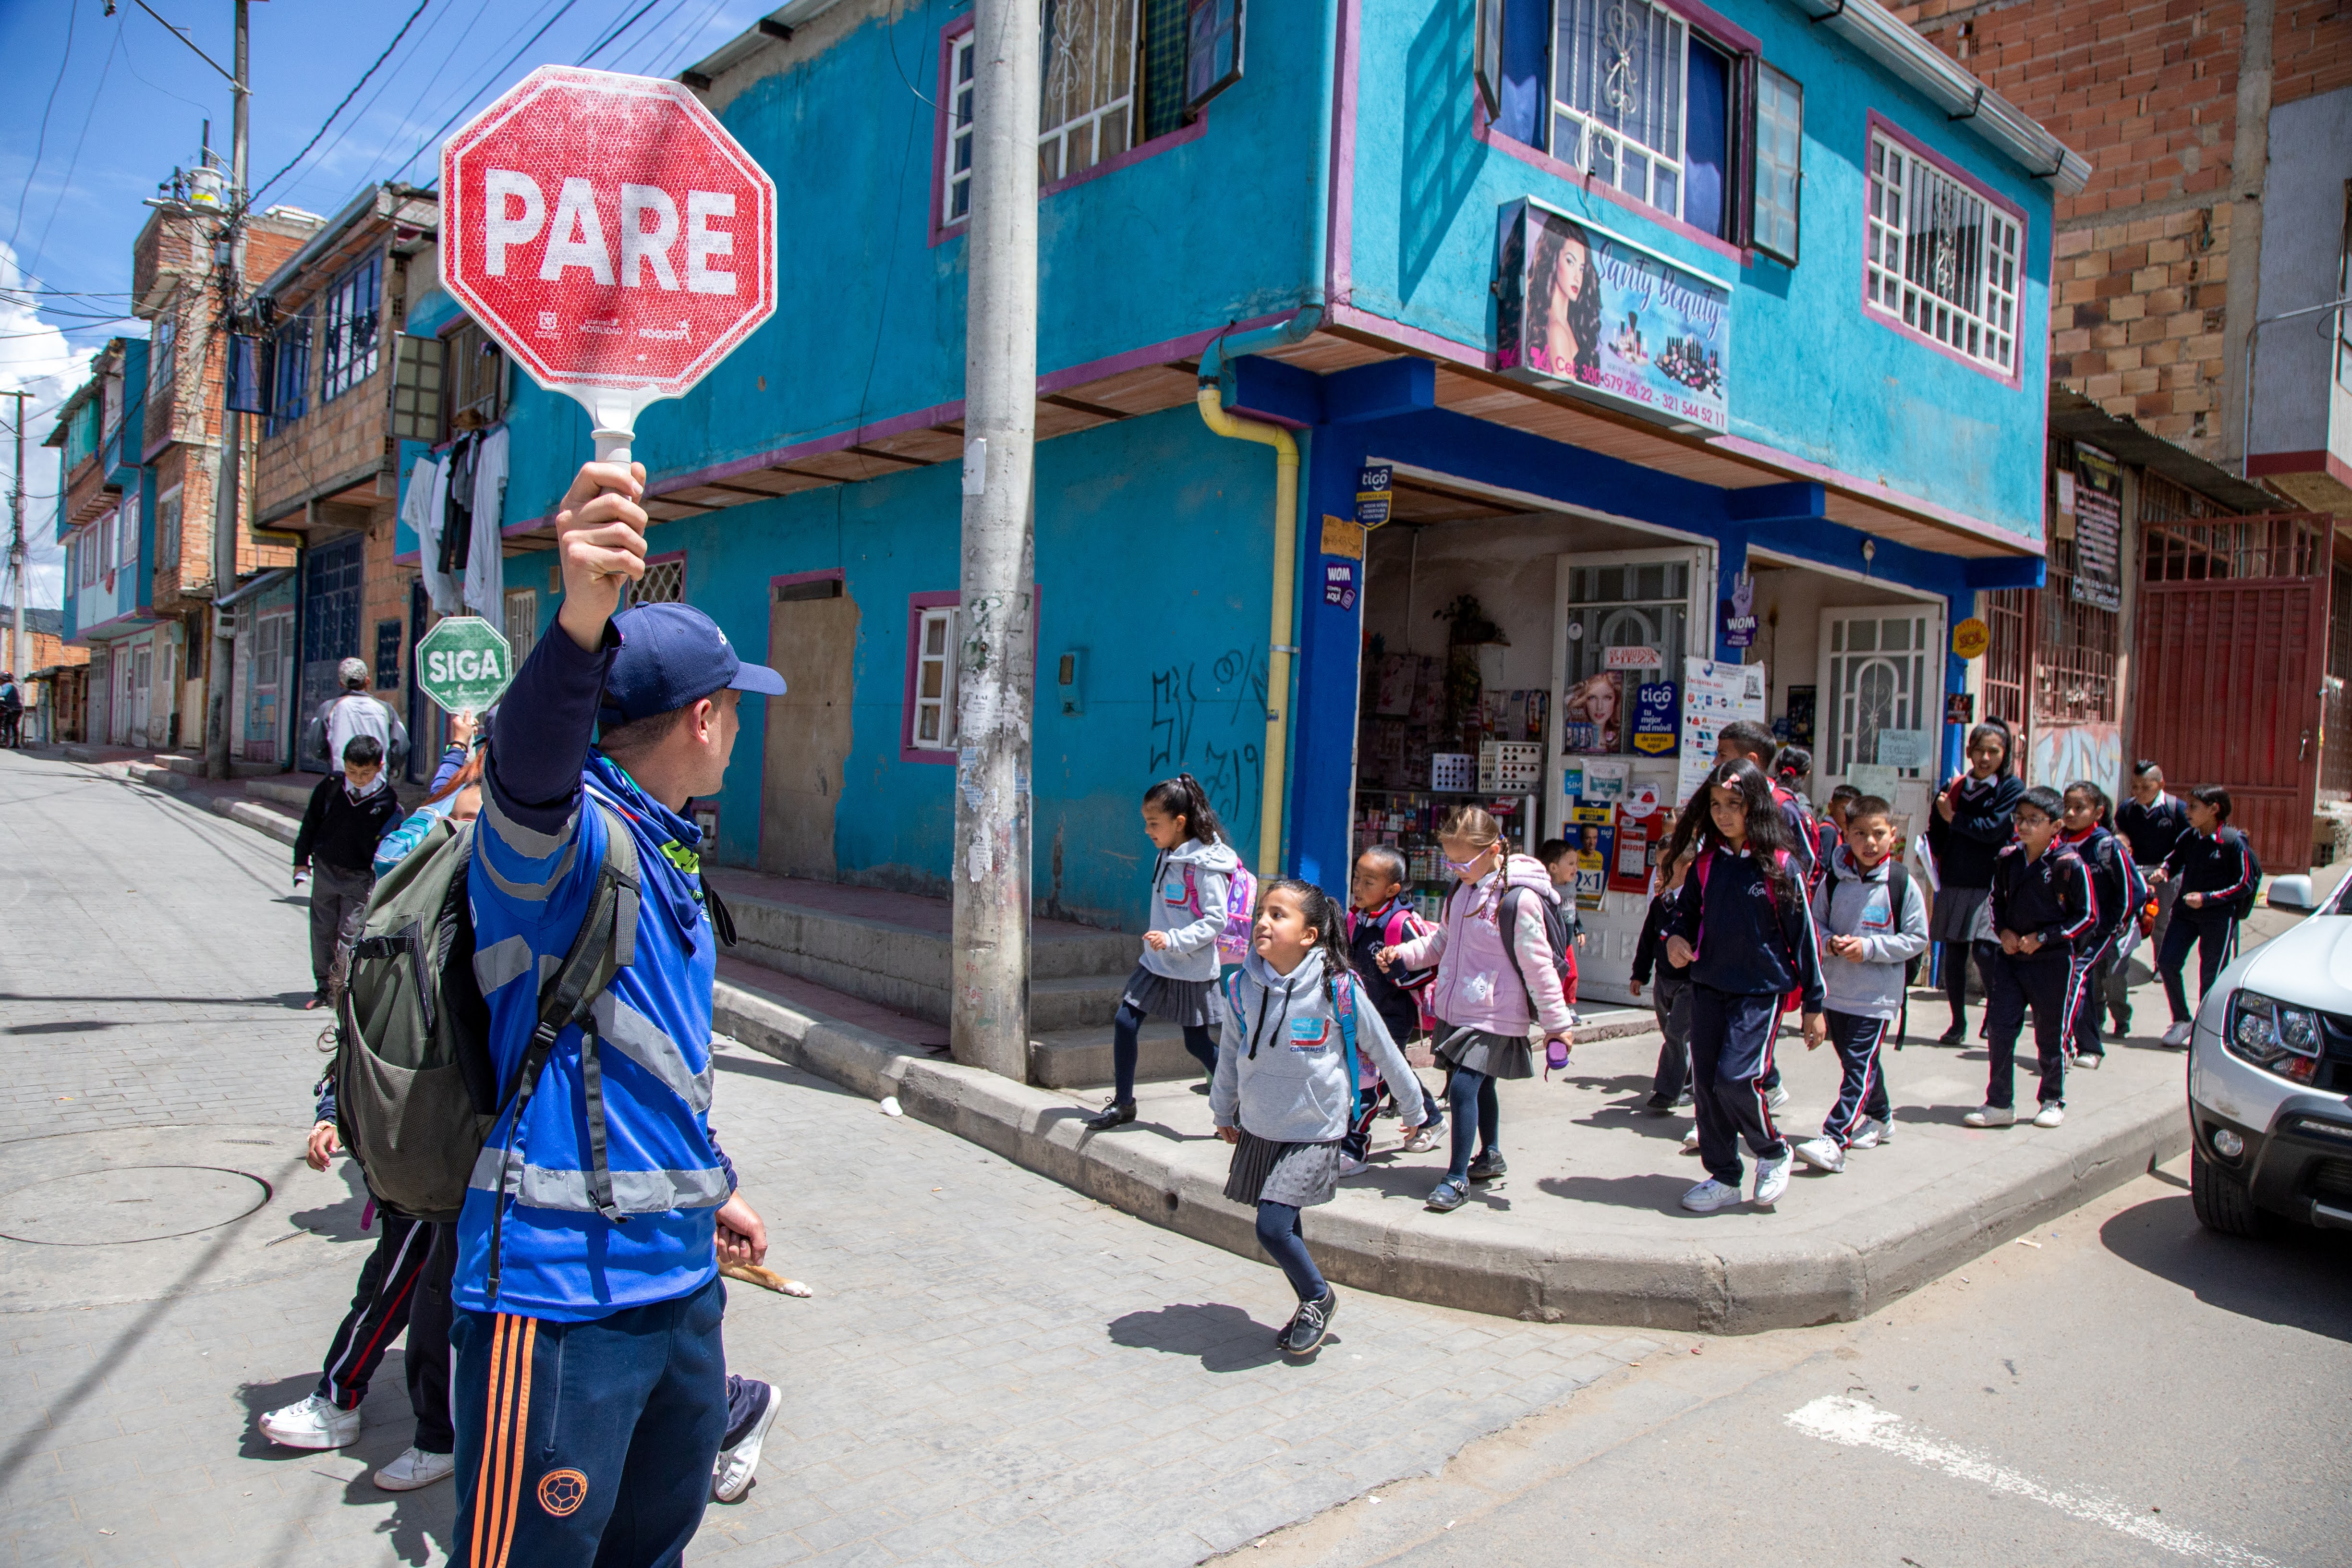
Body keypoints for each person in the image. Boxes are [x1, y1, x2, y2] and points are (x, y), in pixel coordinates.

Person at [450, 457, 783, 1566]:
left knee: (652, 1548)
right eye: (737, 709)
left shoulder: (671, 850)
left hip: (677, 1286)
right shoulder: (567, 836)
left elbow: (649, 1062)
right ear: (703, 717)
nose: (739, 729)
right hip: (558, 1301)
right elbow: (528, 765)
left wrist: (715, 1186)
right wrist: (581, 616)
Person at [1213, 879, 1426, 1357]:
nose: (1262, 922)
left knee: (1271, 1227)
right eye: (1260, 913)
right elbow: (1229, 1052)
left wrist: (1416, 1110)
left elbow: (1386, 1053)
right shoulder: (1240, 985)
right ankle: (1307, 1301)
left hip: (1315, 1128)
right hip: (1261, 1125)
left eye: (1278, 914)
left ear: (1309, 935)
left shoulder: (1338, 987)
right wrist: (1221, 1106)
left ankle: (1317, 1296)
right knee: (1285, 1222)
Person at [1379, 805, 1574, 1214]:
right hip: (1460, 1007)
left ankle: (1455, 1178)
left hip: (1496, 1013)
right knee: (1482, 1086)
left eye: (1463, 860)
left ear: (1495, 849)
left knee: (1465, 1086)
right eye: (1450, 860)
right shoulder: (1461, 890)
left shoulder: (1518, 901)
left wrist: (1558, 1025)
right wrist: (1403, 954)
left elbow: (1539, 967)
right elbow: (1441, 943)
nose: (1455, 868)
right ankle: (1492, 1155)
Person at [1662, 759, 1827, 1212]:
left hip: (1760, 992)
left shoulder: (1780, 865)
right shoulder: (1706, 864)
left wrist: (1815, 1003)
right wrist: (1677, 939)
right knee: (1709, 1089)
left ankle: (1773, 1151)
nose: (1723, 814)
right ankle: (1724, 1175)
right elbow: (1684, 918)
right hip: (1709, 987)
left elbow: (1804, 937)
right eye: (1715, 804)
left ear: (1755, 805)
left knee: (1737, 1080)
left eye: (1734, 804)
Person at [1085, 774, 1240, 1130]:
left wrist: (1174, 940)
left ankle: (1239, 1101)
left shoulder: (1207, 866)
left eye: (1154, 823)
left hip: (1191, 968)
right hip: (1155, 963)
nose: (1147, 831)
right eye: (1146, 822)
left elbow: (1217, 920)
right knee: (1125, 1022)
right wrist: (1163, 944)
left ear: (1179, 822)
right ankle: (1124, 1103)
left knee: (1197, 1044)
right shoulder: (1165, 855)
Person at [1793, 795, 1928, 1173]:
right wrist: (1830, 941)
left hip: (1878, 996)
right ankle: (1881, 1117)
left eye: (1878, 834)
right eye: (1860, 834)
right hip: (1837, 991)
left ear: (1893, 835)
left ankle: (1835, 1138)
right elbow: (1813, 924)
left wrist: (1869, 947)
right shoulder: (1834, 880)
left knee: (1858, 1067)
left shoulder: (1902, 883)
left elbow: (1917, 938)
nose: (1870, 842)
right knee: (1860, 1063)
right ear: (1846, 835)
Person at [1966, 787, 2095, 1129]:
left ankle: (2052, 1098)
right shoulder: (2008, 858)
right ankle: (1999, 1102)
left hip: (2052, 960)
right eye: (2019, 818)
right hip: (2011, 957)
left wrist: (2044, 938)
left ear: (2055, 825)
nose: (2024, 826)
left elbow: (2086, 916)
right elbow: (1996, 902)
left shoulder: (2069, 864)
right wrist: (2004, 933)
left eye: (2034, 820)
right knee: (2000, 1026)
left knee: (2049, 1032)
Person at [1343, 846, 1443, 1168]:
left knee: (1373, 1078)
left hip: (1392, 1016)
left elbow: (1429, 967)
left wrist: (1398, 970)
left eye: (1368, 882)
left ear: (1392, 889)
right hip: (1360, 1013)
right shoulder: (1354, 919)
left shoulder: (1400, 925)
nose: (1358, 887)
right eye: (1357, 878)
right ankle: (1430, 1118)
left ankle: (1353, 1145)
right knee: (1393, 1071)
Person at [1926, 718, 2024, 1044]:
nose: (1985, 758)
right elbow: (1937, 830)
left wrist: (1955, 818)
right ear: (1969, 752)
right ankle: (1957, 1023)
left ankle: (1998, 1010)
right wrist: (1930, 851)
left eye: (1993, 751)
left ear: (2004, 753)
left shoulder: (2011, 788)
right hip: (1955, 877)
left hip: (1992, 880)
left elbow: (1995, 828)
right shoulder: (1953, 787)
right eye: (1979, 750)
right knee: (1955, 953)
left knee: (1986, 950)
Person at [293, 734, 404, 1010]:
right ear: (344, 765)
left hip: (359, 877)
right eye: (352, 771)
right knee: (321, 930)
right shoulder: (330, 788)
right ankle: (323, 989)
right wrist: (301, 861)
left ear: (379, 767)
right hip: (325, 870)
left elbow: (389, 843)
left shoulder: (388, 801)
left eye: (365, 773)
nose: (358, 778)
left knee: (349, 933)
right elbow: (309, 824)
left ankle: (341, 990)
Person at [2149, 784, 2255, 1047]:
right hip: (2185, 913)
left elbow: (2245, 884)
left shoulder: (2232, 841)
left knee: (2212, 974)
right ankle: (2182, 1020)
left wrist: (2208, 899)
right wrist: (2164, 872)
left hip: (2218, 917)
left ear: (2214, 809)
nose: (2188, 811)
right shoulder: (2189, 837)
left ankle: (2207, 1028)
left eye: (2194, 806)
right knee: (2168, 963)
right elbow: (2173, 860)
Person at [2058, 780, 2136, 1069]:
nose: (2070, 813)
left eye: (2079, 808)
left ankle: (2061, 1047)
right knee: (2082, 985)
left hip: (2099, 930)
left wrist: (2114, 925)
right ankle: (2091, 1046)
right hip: (2068, 928)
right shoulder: (2059, 842)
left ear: (2098, 812)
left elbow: (2133, 891)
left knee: (2075, 976)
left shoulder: (2107, 846)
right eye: (2067, 807)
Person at [2110, 760, 2190, 1035]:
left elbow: (2184, 843)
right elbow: (2120, 830)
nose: (2140, 791)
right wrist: (2123, 840)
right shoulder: (2127, 809)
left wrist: (2166, 869)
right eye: (2135, 786)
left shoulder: (2176, 809)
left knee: (2162, 919)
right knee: (2132, 919)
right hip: (2136, 872)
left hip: (2166, 873)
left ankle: (2160, 963)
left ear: (2161, 785)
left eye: (2146, 786)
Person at [372, 711, 485, 876]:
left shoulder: (451, 794)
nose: (452, 824)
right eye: (451, 819)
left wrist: (459, 743)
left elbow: (443, 787)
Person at [1627, 847, 1693, 1114]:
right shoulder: (1660, 904)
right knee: (1674, 1035)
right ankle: (1688, 1085)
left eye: (1665, 865)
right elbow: (1647, 941)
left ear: (1686, 870)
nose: (1658, 872)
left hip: (1690, 982)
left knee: (1678, 1034)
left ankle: (1667, 1092)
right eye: (1656, 865)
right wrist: (1640, 974)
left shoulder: (1696, 904)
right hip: (1664, 980)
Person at [315, 655, 410, 776]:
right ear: (367, 681)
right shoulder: (386, 709)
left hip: (341, 777)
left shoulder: (329, 709)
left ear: (341, 684)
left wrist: (332, 759)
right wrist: (388, 766)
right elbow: (401, 746)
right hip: (377, 778)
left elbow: (316, 746)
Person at [1536, 837, 1588, 954]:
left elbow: (1573, 908)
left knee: (1572, 973)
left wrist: (1579, 929)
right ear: (1554, 868)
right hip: (1548, 948)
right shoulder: (1545, 889)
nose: (1576, 868)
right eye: (1571, 864)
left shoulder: (1571, 886)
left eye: (1577, 864)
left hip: (1566, 946)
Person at [0, 672, 21, 748]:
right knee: (14, 726)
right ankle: (15, 743)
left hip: (12, 709)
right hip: (17, 708)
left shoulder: (7, 686)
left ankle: (4, 742)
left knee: (4, 724)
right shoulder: (11, 686)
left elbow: (3, 694)